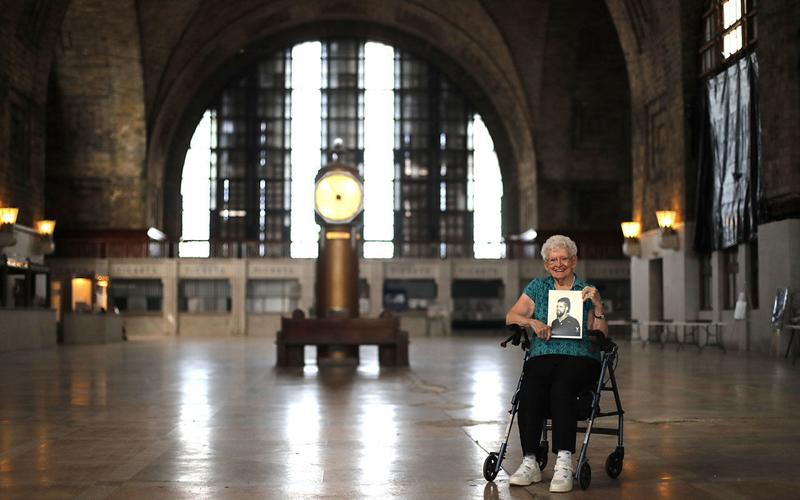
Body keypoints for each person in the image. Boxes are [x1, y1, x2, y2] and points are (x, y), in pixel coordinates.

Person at [505, 234, 608, 493]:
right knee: (529, 388)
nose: (558, 264)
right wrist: (532, 322)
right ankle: (530, 461)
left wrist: (598, 306)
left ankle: (563, 461)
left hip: (580, 357)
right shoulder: (538, 288)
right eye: (553, 260)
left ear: (574, 261)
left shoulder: (586, 290)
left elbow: (601, 333)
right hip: (544, 355)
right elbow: (511, 316)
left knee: (562, 387)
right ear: (546, 264)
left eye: (564, 259)